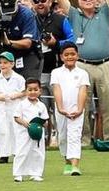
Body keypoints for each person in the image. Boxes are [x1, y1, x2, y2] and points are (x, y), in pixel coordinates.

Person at [56, 0, 109, 148]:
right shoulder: (73, 14)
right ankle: (82, 141)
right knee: (81, 104)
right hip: (82, 64)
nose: (88, 1)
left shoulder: (103, 12)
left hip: (105, 64)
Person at [33, 0, 75, 145]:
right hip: (38, 71)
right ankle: (41, 141)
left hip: (57, 71)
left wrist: (56, 43)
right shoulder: (31, 20)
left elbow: (72, 41)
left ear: (50, 2)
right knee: (41, 109)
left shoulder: (61, 19)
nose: (40, 3)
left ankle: (63, 140)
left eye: (43, 1)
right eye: (36, 1)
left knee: (59, 107)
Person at [51, 41, 89, 175]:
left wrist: (79, 109)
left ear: (77, 55)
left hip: (76, 109)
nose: (70, 57)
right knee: (63, 137)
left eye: (73, 54)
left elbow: (83, 91)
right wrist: (61, 108)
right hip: (61, 110)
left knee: (75, 136)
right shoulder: (56, 72)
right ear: (61, 57)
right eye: (66, 55)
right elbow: (57, 90)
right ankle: (67, 162)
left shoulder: (83, 73)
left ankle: (75, 165)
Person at [0, 51, 26, 164]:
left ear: (12, 64)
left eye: (5, 63)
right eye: (0, 63)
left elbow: (24, 92)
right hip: (1, 109)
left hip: (15, 108)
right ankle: (3, 154)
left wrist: (15, 95)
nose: (2, 65)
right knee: (1, 130)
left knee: (16, 130)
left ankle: (18, 153)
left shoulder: (19, 78)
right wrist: (0, 97)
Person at [12, 78, 49, 181]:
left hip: (38, 134)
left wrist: (41, 126)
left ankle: (36, 173)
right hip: (24, 133)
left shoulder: (41, 105)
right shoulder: (22, 104)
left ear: (40, 91)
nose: (33, 92)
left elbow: (45, 120)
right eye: (30, 90)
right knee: (22, 152)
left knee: (37, 152)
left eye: (35, 89)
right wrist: (26, 124)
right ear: (25, 91)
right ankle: (18, 173)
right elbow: (16, 117)